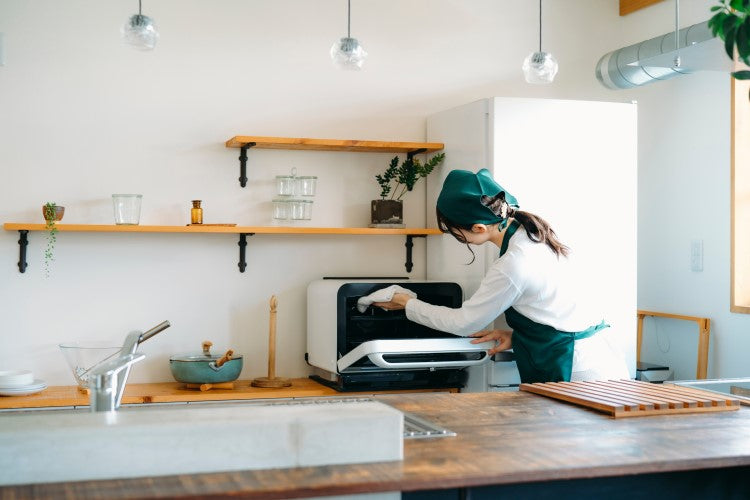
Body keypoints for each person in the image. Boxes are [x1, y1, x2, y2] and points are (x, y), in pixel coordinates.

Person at [373, 168, 630, 383]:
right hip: (601, 360)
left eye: (454, 232)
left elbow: (464, 323)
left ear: (478, 228)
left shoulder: (514, 263)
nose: (455, 238)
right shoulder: (538, 236)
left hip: (580, 374)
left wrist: (406, 303)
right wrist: (519, 338)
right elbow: (558, 309)